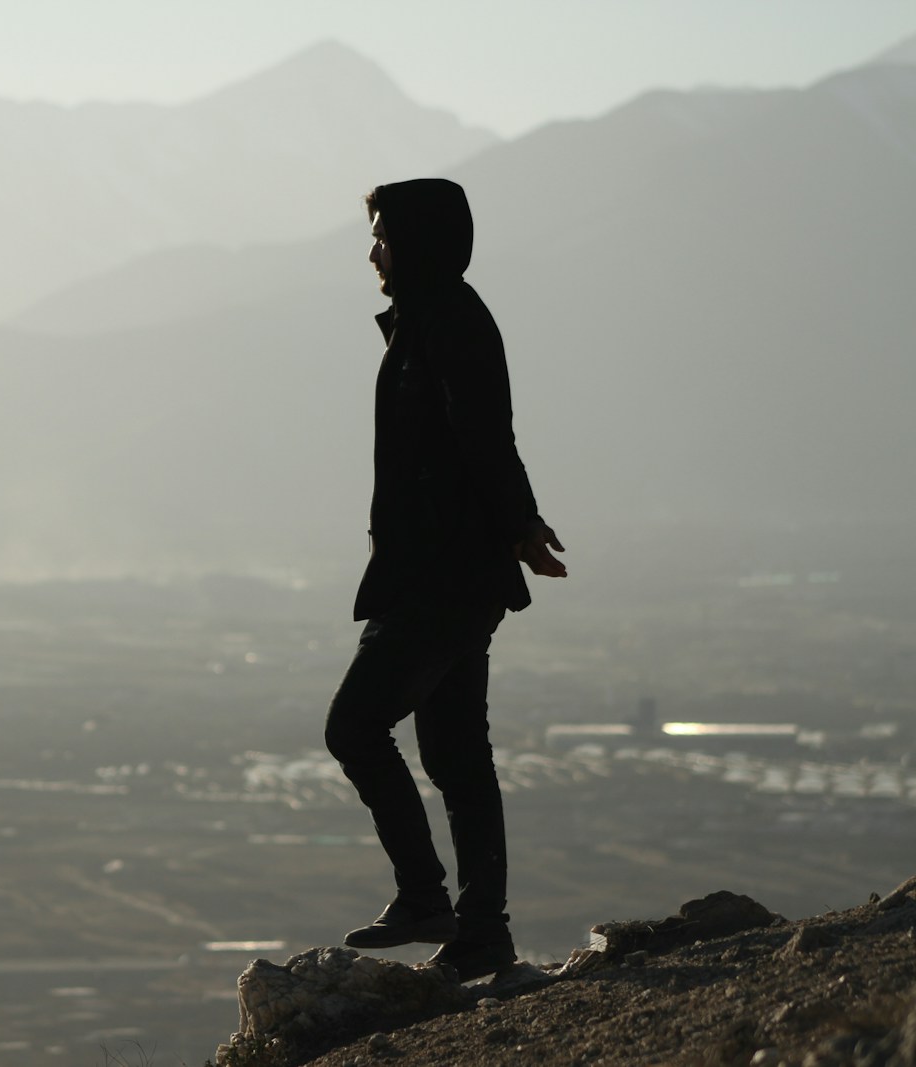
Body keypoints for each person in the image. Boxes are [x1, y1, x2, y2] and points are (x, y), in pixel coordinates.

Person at [324, 177, 566, 983]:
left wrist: (522, 523)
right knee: (457, 755)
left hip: (443, 574)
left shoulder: (451, 322)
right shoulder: (429, 320)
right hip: (443, 571)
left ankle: (428, 899)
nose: (373, 253)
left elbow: (484, 432)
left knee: (355, 727)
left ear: (419, 242)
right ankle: (483, 934)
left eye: (385, 236)